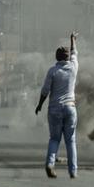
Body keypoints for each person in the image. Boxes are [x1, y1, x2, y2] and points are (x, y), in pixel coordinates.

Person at [35, 32, 79, 179]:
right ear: (67, 58)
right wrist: (72, 39)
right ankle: (73, 171)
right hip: (70, 108)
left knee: (54, 139)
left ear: (56, 57)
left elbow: (45, 90)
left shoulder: (53, 71)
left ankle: (50, 164)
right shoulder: (73, 68)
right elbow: (74, 53)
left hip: (54, 109)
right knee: (70, 140)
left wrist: (40, 104)